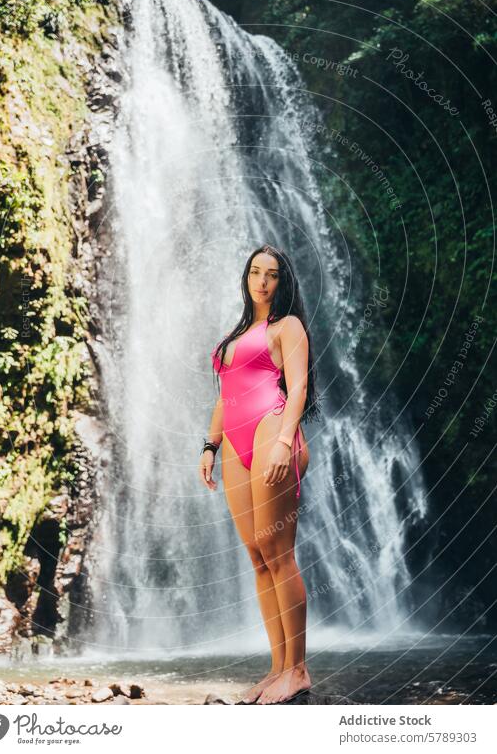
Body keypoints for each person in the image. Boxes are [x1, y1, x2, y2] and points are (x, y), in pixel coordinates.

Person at [199, 244, 321, 705]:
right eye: (255, 272)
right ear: (246, 277)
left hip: (272, 429)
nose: (262, 280)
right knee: (257, 554)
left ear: (282, 281)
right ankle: (277, 668)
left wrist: (287, 442)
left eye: (271, 274)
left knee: (279, 551)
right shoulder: (237, 334)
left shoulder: (287, 327)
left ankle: (300, 669)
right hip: (233, 440)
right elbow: (225, 395)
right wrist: (209, 445)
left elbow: (299, 387)